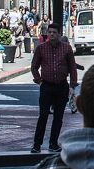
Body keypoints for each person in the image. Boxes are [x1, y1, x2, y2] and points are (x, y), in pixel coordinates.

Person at [30, 22, 78, 153]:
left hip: (62, 85)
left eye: (54, 32)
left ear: (59, 34)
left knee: (58, 117)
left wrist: (72, 85)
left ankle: (53, 143)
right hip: (46, 85)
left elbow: (73, 68)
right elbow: (34, 66)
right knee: (43, 115)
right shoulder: (41, 48)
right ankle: (37, 144)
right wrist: (39, 81)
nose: (51, 34)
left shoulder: (66, 48)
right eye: (50, 32)